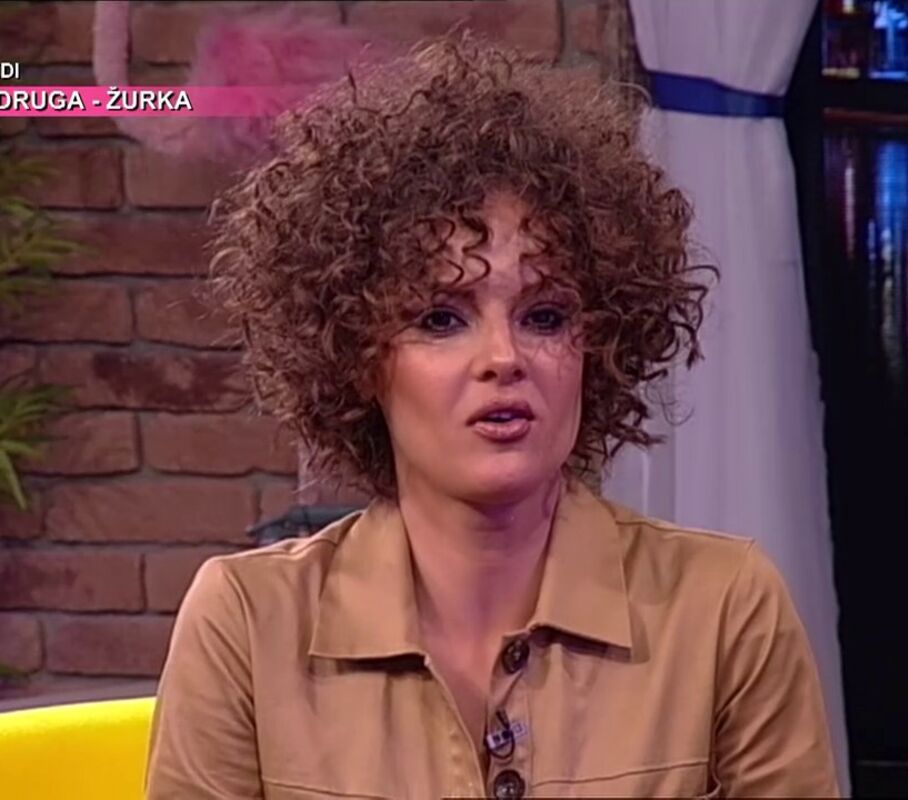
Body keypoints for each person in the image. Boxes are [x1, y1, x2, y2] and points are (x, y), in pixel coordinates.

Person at [145, 31, 839, 799]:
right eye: (441, 319)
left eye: (545, 317)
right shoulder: (247, 624)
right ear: (359, 356)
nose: (504, 358)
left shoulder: (723, 609)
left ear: (599, 344)